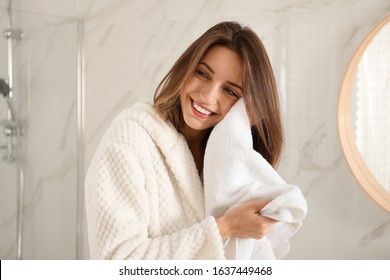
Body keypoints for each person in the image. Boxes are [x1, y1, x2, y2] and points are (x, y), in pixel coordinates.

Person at [85, 21, 284, 259]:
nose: (208, 96)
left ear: (247, 107)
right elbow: (117, 259)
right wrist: (224, 228)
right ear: (186, 68)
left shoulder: (231, 163)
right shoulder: (130, 139)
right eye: (202, 73)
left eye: (230, 91)